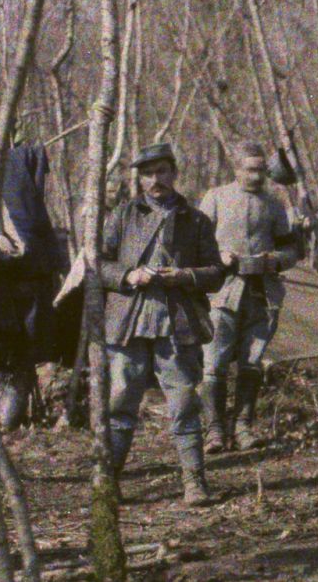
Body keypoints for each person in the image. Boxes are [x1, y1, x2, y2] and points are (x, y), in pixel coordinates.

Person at [97, 142, 226, 506]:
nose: (156, 180)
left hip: (178, 322)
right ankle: (109, 482)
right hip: (127, 321)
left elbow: (216, 273)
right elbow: (98, 264)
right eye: (148, 174)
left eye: (162, 172)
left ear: (174, 174)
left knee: (184, 400)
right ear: (139, 179)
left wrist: (185, 275)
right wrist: (129, 275)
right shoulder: (122, 215)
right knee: (121, 401)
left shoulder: (196, 219)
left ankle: (194, 482)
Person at [198, 140, 305, 453]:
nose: (257, 176)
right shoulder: (216, 197)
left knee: (251, 361)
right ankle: (215, 431)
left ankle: (243, 428)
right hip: (222, 292)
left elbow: (292, 250)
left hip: (261, 293)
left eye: (261, 170)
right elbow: (197, 244)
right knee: (214, 362)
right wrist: (220, 256)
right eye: (250, 170)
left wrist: (275, 260)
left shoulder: (274, 203)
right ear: (236, 169)